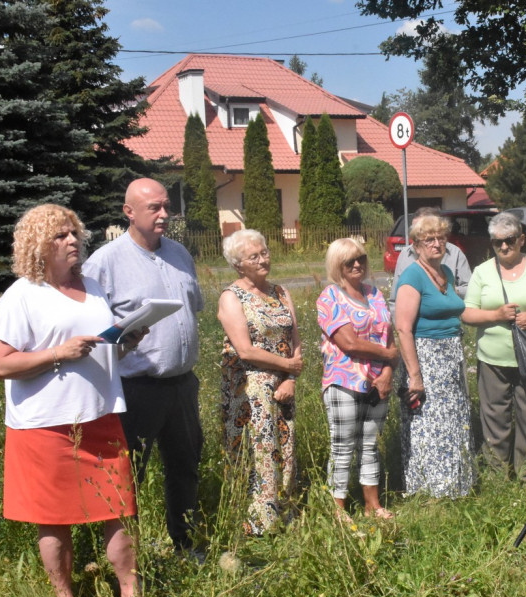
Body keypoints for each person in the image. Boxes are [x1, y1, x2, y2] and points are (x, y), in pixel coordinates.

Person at [0, 204, 141, 597]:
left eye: (74, 232)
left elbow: (99, 344)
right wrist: (59, 353)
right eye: (60, 236)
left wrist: (126, 340)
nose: (72, 240)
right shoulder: (20, 296)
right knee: (54, 519)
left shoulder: (93, 287)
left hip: (100, 414)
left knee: (120, 509)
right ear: (38, 245)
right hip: (45, 426)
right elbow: (3, 364)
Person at [83, 178, 204, 556]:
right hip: (137, 388)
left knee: (185, 466)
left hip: (182, 384)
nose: (165, 214)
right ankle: (125, 559)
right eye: (155, 208)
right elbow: (91, 329)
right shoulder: (105, 262)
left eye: (167, 206)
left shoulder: (180, 254)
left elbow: (192, 309)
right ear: (129, 213)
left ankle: (185, 544)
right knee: (129, 473)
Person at [462, 212, 526, 486]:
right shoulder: (483, 271)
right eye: (498, 243)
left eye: (509, 240)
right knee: (495, 420)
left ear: (521, 240)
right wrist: (495, 315)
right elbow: (468, 313)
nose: (504, 247)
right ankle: (498, 479)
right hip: (493, 359)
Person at [218, 229, 303, 534]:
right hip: (249, 389)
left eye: (264, 252)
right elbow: (245, 350)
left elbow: (294, 337)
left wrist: (291, 376)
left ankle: (284, 514)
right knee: (258, 451)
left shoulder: (280, 291)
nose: (263, 259)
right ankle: (256, 523)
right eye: (254, 256)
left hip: (283, 386)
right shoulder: (232, 297)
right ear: (238, 264)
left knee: (286, 447)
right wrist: (288, 365)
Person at [394, 214, 475, 498]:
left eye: (441, 238)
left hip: (450, 357)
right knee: (430, 424)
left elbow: (460, 311)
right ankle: (431, 490)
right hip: (426, 358)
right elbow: (403, 328)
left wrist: (498, 315)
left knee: (452, 420)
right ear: (416, 245)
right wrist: (415, 376)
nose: (437, 244)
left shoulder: (446, 274)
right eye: (429, 239)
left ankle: (455, 485)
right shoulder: (412, 275)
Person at [317, 238, 399, 519]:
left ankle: (372, 505)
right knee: (342, 447)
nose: (356, 265)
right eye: (349, 261)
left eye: (361, 259)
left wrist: (388, 372)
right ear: (337, 265)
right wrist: (388, 354)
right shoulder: (329, 297)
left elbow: (389, 336)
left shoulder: (375, 294)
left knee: (370, 445)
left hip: (378, 383)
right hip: (344, 382)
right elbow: (349, 343)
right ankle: (337, 509)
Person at [389, 207, 472, 314]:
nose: (417, 233)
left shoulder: (454, 253)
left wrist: (451, 290)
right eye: (414, 228)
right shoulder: (405, 254)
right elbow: (394, 299)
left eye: (423, 228)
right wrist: (400, 326)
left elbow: (470, 288)